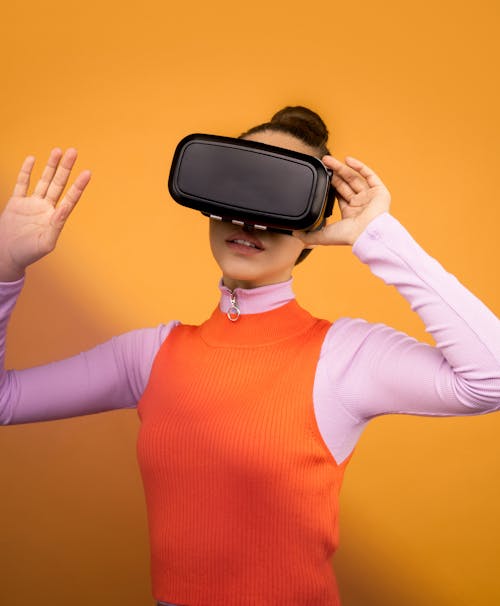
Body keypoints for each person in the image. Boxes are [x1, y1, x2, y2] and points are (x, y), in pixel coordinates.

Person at [1, 106, 499, 606]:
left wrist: (379, 235)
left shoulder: (344, 356)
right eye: (242, 184)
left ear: (310, 224)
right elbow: (6, 399)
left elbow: (491, 379)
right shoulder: (149, 356)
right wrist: (5, 266)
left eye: (279, 195)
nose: (250, 217)